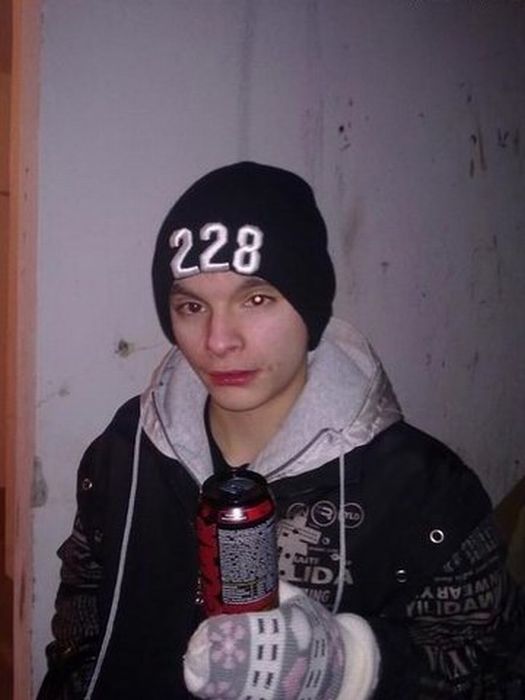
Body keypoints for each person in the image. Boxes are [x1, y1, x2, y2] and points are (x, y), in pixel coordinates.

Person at [38, 162, 524, 699]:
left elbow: (491, 668)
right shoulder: (125, 451)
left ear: (310, 306)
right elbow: (81, 630)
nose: (218, 340)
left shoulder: (424, 490)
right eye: (192, 306)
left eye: (256, 299)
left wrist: (354, 667)